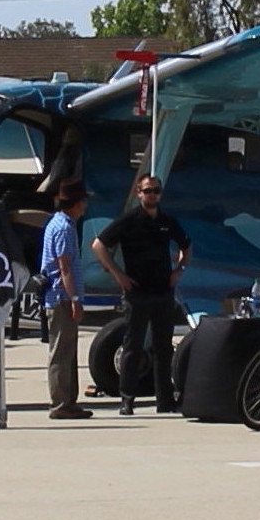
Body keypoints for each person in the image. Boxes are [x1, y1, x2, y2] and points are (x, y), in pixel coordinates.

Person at [91, 173, 191, 415]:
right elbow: (98, 245)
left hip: (163, 291)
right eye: (147, 191)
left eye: (155, 190)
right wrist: (117, 274)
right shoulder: (129, 220)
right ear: (138, 193)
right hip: (137, 292)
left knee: (163, 347)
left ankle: (165, 400)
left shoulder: (167, 221)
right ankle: (127, 399)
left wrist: (180, 269)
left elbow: (186, 246)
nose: (152, 195)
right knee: (133, 346)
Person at [42, 179, 92, 420]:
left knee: (68, 350)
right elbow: (65, 268)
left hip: (62, 296)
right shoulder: (63, 228)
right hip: (61, 296)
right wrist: (74, 298)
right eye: (82, 201)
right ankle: (60, 402)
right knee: (61, 351)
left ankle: (69, 400)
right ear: (74, 203)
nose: (85, 205)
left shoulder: (63, 224)